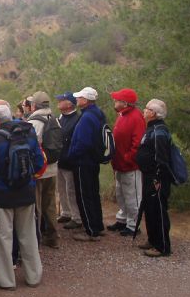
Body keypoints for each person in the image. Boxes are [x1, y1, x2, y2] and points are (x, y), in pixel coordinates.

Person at [0, 104, 44, 290]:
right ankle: (34, 276)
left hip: (2, 196)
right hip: (26, 192)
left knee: (3, 238)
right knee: (28, 235)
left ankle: (7, 281)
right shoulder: (29, 133)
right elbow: (39, 161)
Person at [67, 87, 106, 242]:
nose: (76, 100)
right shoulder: (97, 113)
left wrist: (72, 155)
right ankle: (97, 225)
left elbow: (83, 142)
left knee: (84, 195)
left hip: (84, 162)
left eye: (79, 97)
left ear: (86, 100)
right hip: (92, 161)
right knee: (93, 193)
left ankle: (91, 230)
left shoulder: (87, 117)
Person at [136, 99, 173, 257]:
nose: (144, 111)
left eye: (147, 109)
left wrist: (157, 180)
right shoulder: (152, 129)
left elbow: (162, 160)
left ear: (153, 113)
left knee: (158, 211)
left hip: (156, 179)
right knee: (149, 209)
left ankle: (162, 246)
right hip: (148, 176)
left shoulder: (159, 132)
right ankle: (152, 240)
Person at [108, 88, 146, 237]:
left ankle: (133, 224)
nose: (115, 102)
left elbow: (137, 144)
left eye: (117, 100)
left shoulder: (136, 117)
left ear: (125, 103)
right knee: (121, 194)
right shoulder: (122, 115)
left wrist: (127, 158)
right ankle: (122, 219)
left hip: (130, 166)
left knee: (133, 196)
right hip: (119, 164)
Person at [26, 91, 60, 249]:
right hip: (53, 168)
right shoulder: (54, 119)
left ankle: (36, 241)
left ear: (34, 105)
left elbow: (32, 145)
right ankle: (53, 237)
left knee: (37, 206)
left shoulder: (34, 121)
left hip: (40, 170)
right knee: (50, 204)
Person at [55, 92, 82, 230]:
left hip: (70, 160)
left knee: (71, 189)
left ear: (69, 104)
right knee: (61, 188)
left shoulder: (77, 119)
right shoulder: (61, 117)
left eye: (62, 99)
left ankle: (76, 217)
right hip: (60, 159)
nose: (58, 101)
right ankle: (66, 212)